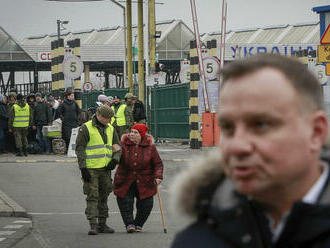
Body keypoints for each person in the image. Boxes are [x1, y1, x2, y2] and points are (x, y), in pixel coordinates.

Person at [171, 54, 330, 248]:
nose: (237, 146)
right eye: (228, 128)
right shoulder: (195, 242)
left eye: (260, 125)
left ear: (316, 132)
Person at [75, 105, 122, 235]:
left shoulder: (111, 128)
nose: (109, 121)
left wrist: (115, 160)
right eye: (107, 118)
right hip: (91, 169)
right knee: (92, 196)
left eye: (110, 118)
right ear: (99, 115)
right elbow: (80, 149)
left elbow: (117, 147)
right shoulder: (86, 128)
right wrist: (83, 168)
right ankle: (93, 224)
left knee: (104, 195)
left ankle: (103, 223)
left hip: (105, 169)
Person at [114, 123, 163, 233]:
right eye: (131, 131)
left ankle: (139, 224)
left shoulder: (150, 146)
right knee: (125, 202)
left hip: (145, 179)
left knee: (146, 204)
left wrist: (158, 176)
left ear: (141, 134)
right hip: (125, 178)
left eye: (135, 132)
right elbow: (115, 158)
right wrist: (113, 151)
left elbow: (158, 164)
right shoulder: (123, 144)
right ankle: (129, 224)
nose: (131, 134)